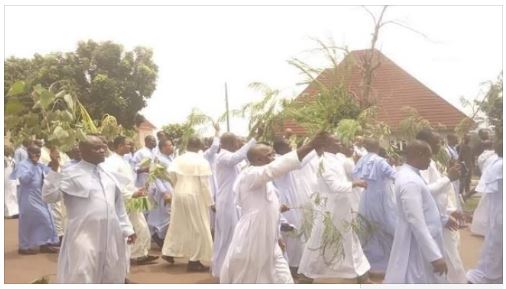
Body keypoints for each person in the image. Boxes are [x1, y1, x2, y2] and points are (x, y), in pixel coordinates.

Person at [220, 133, 326, 283]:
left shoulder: (263, 179)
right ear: (258, 160)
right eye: (269, 155)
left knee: (282, 275)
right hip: (253, 236)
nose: (273, 158)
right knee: (249, 274)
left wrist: (277, 235)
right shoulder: (250, 174)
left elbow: (267, 205)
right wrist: (311, 145)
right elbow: (275, 168)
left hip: (269, 237)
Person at [42, 135, 136, 283]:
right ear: (83, 151)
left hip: (111, 234)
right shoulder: (70, 173)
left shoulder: (108, 174)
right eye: (96, 148)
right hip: (84, 234)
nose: (101, 150)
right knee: (82, 273)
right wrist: (54, 170)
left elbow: (118, 206)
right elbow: (49, 197)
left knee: (111, 273)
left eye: (103, 147)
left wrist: (127, 229)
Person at [298, 135, 370, 283]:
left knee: (350, 240)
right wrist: (355, 184)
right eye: (336, 141)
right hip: (330, 209)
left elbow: (352, 162)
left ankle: (361, 274)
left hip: (341, 208)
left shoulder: (337, 157)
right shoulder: (323, 162)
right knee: (319, 240)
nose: (339, 143)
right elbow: (334, 186)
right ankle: (307, 275)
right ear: (325, 145)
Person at [384, 140, 447, 283]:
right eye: (429, 156)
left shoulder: (412, 175)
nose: (430, 160)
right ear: (419, 154)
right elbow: (416, 221)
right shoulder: (410, 181)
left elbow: (424, 206)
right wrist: (434, 256)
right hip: (417, 245)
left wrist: (444, 219)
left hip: (422, 241)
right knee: (414, 278)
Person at [416, 128, 466, 283]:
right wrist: (447, 178)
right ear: (426, 144)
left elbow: (440, 194)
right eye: (437, 141)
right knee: (450, 261)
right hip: (434, 223)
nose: (440, 144)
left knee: (452, 258)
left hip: (441, 218)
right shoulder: (421, 167)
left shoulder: (431, 163)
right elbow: (425, 193)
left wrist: (451, 210)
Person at [103, 136, 158, 266]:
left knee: (141, 226)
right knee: (131, 228)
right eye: (128, 144)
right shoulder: (111, 162)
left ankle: (139, 254)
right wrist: (131, 193)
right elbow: (115, 184)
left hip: (132, 198)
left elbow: (128, 181)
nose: (131, 146)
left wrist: (137, 190)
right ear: (120, 146)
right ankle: (133, 255)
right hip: (123, 200)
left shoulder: (123, 161)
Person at [161, 136, 214, 272]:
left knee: (177, 224)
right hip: (194, 195)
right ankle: (194, 261)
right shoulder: (201, 161)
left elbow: (171, 176)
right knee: (198, 227)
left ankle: (169, 251)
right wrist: (210, 202)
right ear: (199, 146)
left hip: (178, 193)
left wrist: (177, 188)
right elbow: (204, 185)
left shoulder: (178, 159)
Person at [211, 132, 257, 277]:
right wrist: (253, 140)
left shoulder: (231, 157)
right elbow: (236, 157)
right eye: (236, 142)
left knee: (232, 236)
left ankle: (228, 270)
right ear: (228, 144)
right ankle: (221, 271)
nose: (238, 145)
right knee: (227, 237)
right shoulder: (223, 156)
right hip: (226, 201)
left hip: (233, 201)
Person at [351, 138, 397, 276]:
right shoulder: (380, 161)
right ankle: (385, 265)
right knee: (385, 227)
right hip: (381, 199)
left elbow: (355, 175)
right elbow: (395, 176)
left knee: (368, 229)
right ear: (378, 147)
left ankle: (369, 263)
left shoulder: (362, 160)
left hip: (365, 198)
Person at [271, 137, 313, 277]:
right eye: (288, 144)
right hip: (284, 201)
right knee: (292, 233)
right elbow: (300, 162)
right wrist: (314, 147)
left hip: (289, 199)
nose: (291, 145)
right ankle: (292, 268)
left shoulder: (283, 158)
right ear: (280, 147)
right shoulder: (280, 160)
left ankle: (292, 266)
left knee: (292, 233)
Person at [466, 140, 502, 284]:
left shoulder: (495, 163)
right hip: (500, 217)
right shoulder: (499, 165)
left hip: (498, 216)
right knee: (492, 262)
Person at [16, 144, 59, 255]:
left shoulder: (39, 165)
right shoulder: (22, 165)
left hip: (40, 196)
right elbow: (24, 180)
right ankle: (24, 247)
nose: (37, 155)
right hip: (29, 197)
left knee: (46, 219)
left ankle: (44, 244)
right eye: (34, 153)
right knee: (28, 222)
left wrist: (53, 164)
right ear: (28, 153)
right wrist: (32, 167)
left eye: (38, 153)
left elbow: (49, 173)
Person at [150, 138, 175, 249]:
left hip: (171, 188)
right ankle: (158, 236)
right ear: (163, 147)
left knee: (167, 216)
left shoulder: (170, 158)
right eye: (170, 145)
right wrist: (164, 192)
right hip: (164, 190)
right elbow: (156, 177)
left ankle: (161, 237)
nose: (172, 147)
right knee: (166, 215)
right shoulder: (158, 159)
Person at [471, 140, 499, 236]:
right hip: (494, 184)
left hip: (489, 183)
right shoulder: (494, 157)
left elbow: (482, 169)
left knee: (485, 206)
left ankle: (483, 228)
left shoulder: (481, 157)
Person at [4, 145, 19, 218]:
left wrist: (17, 180)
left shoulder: (12, 160)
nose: (8, 152)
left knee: (13, 194)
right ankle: (7, 213)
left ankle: (14, 211)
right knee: (5, 195)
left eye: (8, 150)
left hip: (12, 179)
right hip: (4, 178)